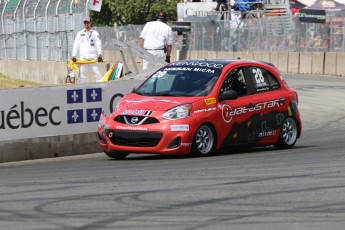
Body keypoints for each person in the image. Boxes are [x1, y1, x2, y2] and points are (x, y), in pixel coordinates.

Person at [72, 16, 103, 83]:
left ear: (90, 23)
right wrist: (74, 55)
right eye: (85, 23)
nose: (86, 24)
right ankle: (82, 89)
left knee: (98, 75)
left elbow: (98, 44)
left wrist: (100, 54)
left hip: (93, 58)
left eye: (88, 22)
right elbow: (76, 45)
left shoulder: (95, 33)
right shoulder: (80, 33)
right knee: (83, 77)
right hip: (83, 58)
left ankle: (101, 89)